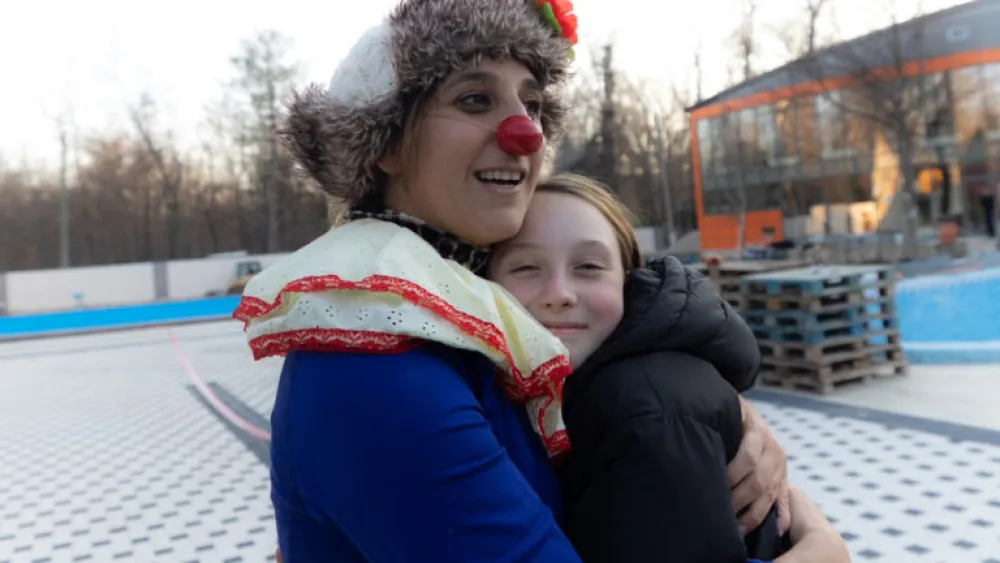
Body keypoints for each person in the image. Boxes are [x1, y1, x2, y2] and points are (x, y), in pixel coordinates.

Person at [233, 0, 837, 561]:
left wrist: (713, 414)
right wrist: (821, 554)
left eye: (533, 105)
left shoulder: (464, 313)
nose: (524, 133)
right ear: (386, 141)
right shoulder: (373, 367)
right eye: (474, 99)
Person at [489, 173, 790, 562]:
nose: (559, 294)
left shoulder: (648, 410)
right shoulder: (558, 390)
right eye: (527, 267)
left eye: (589, 266)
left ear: (628, 282)